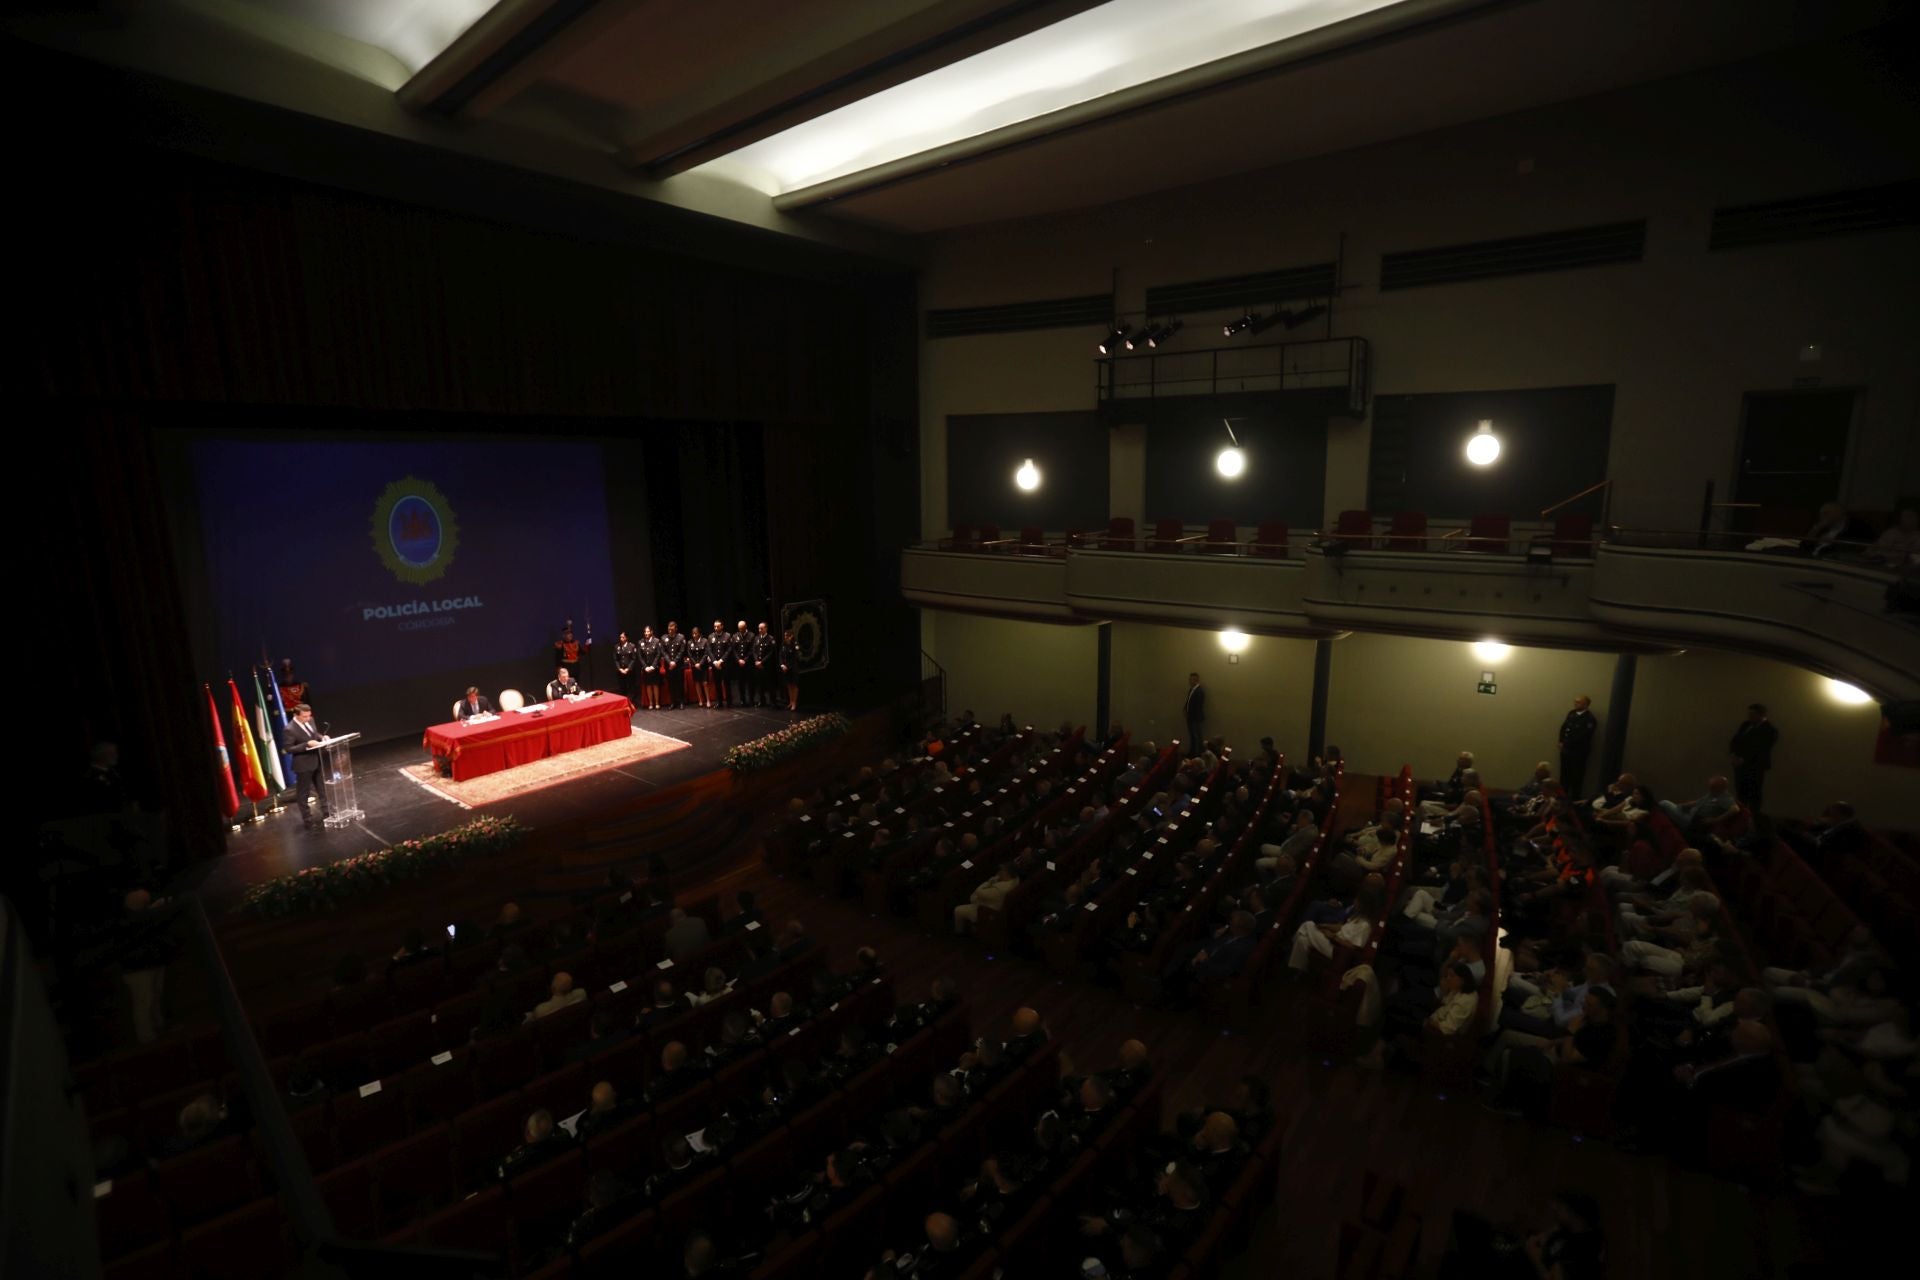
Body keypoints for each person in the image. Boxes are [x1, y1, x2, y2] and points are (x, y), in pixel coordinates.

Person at [117, 889, 176, 1044]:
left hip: (148, 961)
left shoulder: (136, 919)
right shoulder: (129, 921)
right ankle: (147, 1035)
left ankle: (155, 1029)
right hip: (140, 965)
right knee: (146, 1000)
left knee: (153, 997)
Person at [279, 702, 330, 827]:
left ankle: (327, 812)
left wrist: (322, 737)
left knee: (322, 789)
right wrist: (306, 744)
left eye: (309, 716)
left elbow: (314, 734)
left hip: (316, 760)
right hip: (303, 764)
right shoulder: (289, 729)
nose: (307, 718)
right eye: (304, 716)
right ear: (296, 715)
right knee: (303, 793)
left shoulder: (310, 720)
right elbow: (288, 748)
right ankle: (307, 819)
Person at [1728, 703, 1778, 812]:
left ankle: (1753, 816)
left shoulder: (1770, 730)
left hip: (1755, 767)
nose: (1749, 717)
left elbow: (1761, 749)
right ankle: (1741, 816)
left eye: (1752, 714)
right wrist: (1733, 754)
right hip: (1740, 766)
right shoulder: (1745, 725)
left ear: (1761, 715)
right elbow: (1735, 740)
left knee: (1754, 793)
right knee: (1740, 793)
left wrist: (1743, 759)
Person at [1556, 694, 1598, 797]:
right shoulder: (1571, 713)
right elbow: (1564, 728)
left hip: (1579, 752)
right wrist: (1561, 741)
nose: (1575, 703)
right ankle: (1562, 798)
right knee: (1564, 776)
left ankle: (1574, 800)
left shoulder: (1590, 719)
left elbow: (1583, 736)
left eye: (1578, 702)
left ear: (1586, 704)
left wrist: (1566, 743)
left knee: (1577, 777)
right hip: (1566, 751)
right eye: (1575, 701)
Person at [751, 621, 779, 708]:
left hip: (767, 665)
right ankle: (762, 701)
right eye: (759, 628)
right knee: (760, 684)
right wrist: (756, 661)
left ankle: (773, 702)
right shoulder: (756, 638)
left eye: (761, 628)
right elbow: (754, 650)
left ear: (766, 628)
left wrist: (762, 662)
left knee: (770, 684)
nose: (760, 630)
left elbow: (771, 652)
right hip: (758, 665)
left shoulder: (770, 638)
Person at [683, 623, 711, 708]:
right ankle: (700, 700)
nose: (694, 635)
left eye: (696, 633)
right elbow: (689, 654)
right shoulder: (689, 642)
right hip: (694, 666)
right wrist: (695, 664)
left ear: (699, 633)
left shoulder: (705, 641)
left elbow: (706, 653)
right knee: (697, 683)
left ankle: (708, 700)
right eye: (693, 633)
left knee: (705, 683)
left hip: (703, 665)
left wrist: (700, 663)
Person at [661, 621, 687, 709]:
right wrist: (670, 662)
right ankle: (673, 702)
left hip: (678, 665)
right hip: (669, 665)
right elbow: (663, 651)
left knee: (680, 683)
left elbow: (682, 651)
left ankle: (681, 701)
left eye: (672, 629)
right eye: (669, 628)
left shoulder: (681, 637)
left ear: (676, 629)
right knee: (671, 684)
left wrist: (675, 662)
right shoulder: (664, 638)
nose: (670, 630)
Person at [636, 625, 662, 710]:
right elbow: (640, 656)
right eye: (645, 632)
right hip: (646, 668)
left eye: (648, 631)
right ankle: (650, 703)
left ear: (651, 632)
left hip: (654, 667)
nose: (646, 633)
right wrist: (645, 667)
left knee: (655, 685)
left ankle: (657, 702)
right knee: (648, 685)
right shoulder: (641, 642)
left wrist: (653, 666)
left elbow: (658, 654)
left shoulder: (656, 641)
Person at [707, 621, 731, 707]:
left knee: (726, 683)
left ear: (722, 626)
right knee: (717, 683)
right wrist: (714, 661)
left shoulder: (727, 636)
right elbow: (709, 650)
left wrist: (721, 660)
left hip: (724, 664)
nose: (716, 628)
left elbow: (729, 650)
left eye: (717, 626)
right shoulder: (711, 636)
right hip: (715, 664)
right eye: (715, 627)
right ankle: (719, 701)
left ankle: (729, 701)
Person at [779, 628, 801, 712]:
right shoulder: (784, 644)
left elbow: (794, 658)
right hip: (785, 668)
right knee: (789, 685)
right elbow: (780, 655)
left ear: (791, 636)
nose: (785, 637)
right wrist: (782, 665)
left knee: (794, 685)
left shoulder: (795, 645)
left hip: (793, 668)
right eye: (785, 635)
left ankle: (794, 702)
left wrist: (787, 666)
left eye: (787, 636)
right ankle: (791, 702)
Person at [1182, 672, 1206, 749]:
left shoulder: (1199, 691)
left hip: (1195, 718)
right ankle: (1192, 752)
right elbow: (1188, 701)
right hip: (1191, 717)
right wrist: (1185, 709)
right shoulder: (1191, 690)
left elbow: (1197, 706)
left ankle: (1198, 752)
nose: (1189, 681)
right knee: (1192, 735)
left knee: (1196, 736)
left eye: (1190, 679)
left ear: (1195, 680)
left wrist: (1190, 714)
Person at [613, 631, 638, 704]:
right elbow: (616, 659)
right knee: (622, 688)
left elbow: (633, 659)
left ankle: (631, 703)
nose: (621, 639)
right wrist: (619, 668)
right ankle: (624, 703)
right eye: (620, 637)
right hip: (620, 671)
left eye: (623, 637)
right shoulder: (616, 646)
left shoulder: (632, 646)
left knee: (631, 687)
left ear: (626, 638)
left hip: (629, 671)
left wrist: (628, 668)